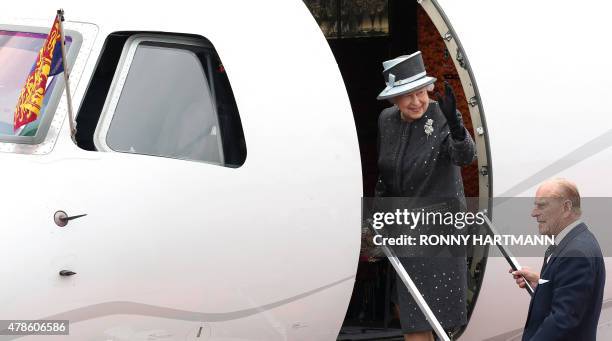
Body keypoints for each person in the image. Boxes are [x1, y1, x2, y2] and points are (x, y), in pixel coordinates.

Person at [376, 51, 476, 341]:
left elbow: (465, 156)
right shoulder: (387, 120)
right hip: (405, 232)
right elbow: (385, 173)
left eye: (419, 92)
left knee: (433, 325)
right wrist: (376, 220)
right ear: (393, 99)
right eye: (406, 95)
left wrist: (457, 128)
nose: (416, 101)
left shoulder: (441, 115)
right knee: (412, 322)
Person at [511, 178, 605, 340]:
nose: (534, 213)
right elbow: (572, 298)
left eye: (542, 205)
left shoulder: (576, 253)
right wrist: (542, 284)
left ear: (566, 207)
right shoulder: (578, 240)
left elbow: (562, 321)